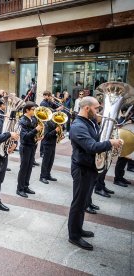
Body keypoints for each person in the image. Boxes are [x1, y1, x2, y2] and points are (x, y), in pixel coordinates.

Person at [67, 96, 122, 251]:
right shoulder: (78, 126)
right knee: (78, 203)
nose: (99, 111)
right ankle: (74, 236)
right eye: (97, 108)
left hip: (89, 167)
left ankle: (79, 229)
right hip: (81, 169)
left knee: (84, 202)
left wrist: (109, 136)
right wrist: (110, 143)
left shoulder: (89, 122)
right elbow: (91, 146)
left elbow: (97, 138)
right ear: (87, 108)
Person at [16, 102, 41, 198]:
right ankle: (19, 188)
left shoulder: (33, 119)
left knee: (30, 167)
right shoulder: (22, 120)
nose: (35, 111)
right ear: (27, 110)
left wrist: (38, 136)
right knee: (24, 168)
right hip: (25, 146)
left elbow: (33, 133)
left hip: (32, 145)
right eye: (33, 109)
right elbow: (25, 136)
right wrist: (36, 130)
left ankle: (26, 186)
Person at [39, 116, 60, 184]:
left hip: (53, 144)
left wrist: (60, 129)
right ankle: (42, 177)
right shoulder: (48, 123)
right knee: (46, 161)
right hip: (47, 144)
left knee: (51, 160)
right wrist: (55, 131)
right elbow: (47, 136)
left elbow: (59, 131)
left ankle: (48, 175)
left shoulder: (56, 123)